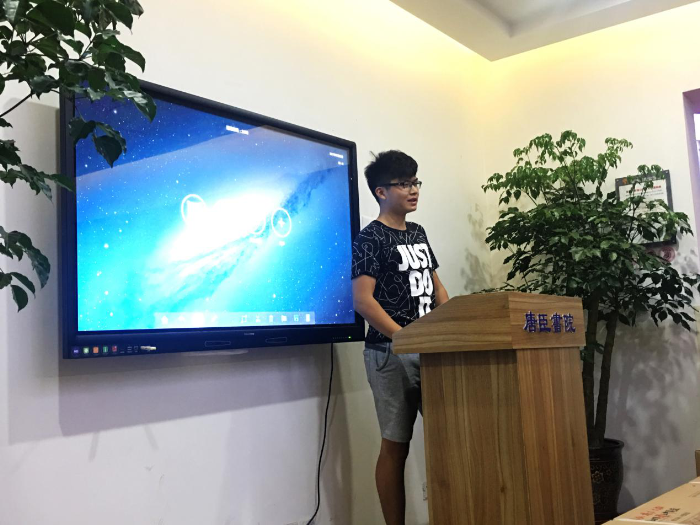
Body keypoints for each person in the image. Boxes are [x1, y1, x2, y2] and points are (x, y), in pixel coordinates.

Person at [351, 150, 449, 525]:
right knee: (396, 446)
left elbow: (436, 287)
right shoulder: (370, 238)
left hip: (430, 351)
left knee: (448, 435)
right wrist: (404, 337)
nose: (413, 190)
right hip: (389, 354)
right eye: (404, 183)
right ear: (381, 191)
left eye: (415, 182)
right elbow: (363, 300)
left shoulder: (418, 233)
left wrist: (449, 328)